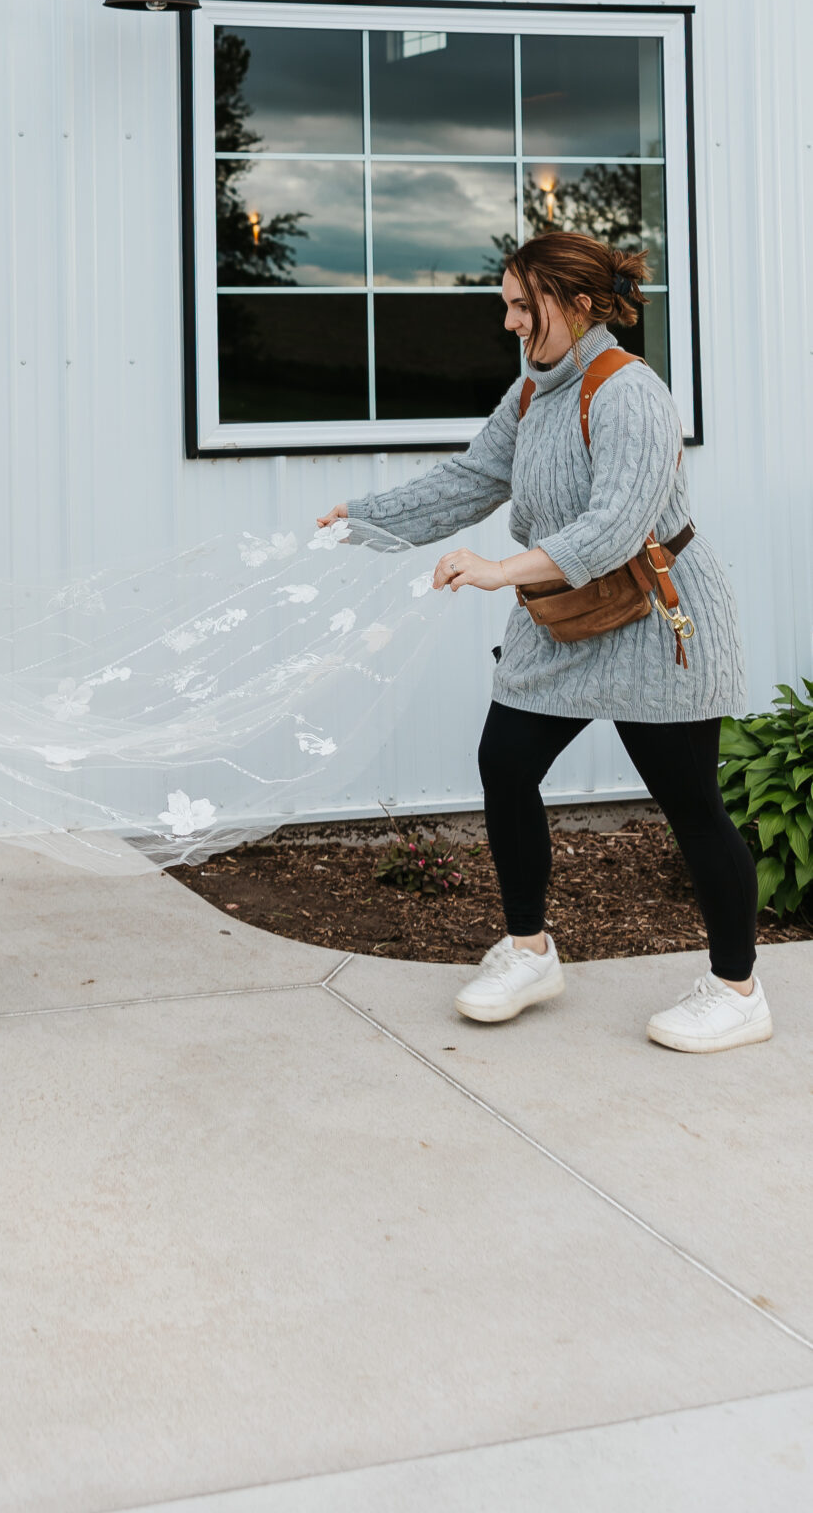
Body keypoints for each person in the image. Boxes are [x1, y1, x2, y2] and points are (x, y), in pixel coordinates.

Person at [319, 230, 765, 1054]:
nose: (510, 323)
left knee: (690, 805)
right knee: (506, 762)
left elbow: (614, 526)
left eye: (524, 307)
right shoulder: (531, 391)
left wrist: (498, 570)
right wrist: (364, 522)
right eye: (507, 307)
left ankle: (738, 989)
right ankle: (529, 952)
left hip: (651, 616)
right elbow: (470, 478)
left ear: (578, 305)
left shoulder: (629, 391)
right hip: (559, 619)